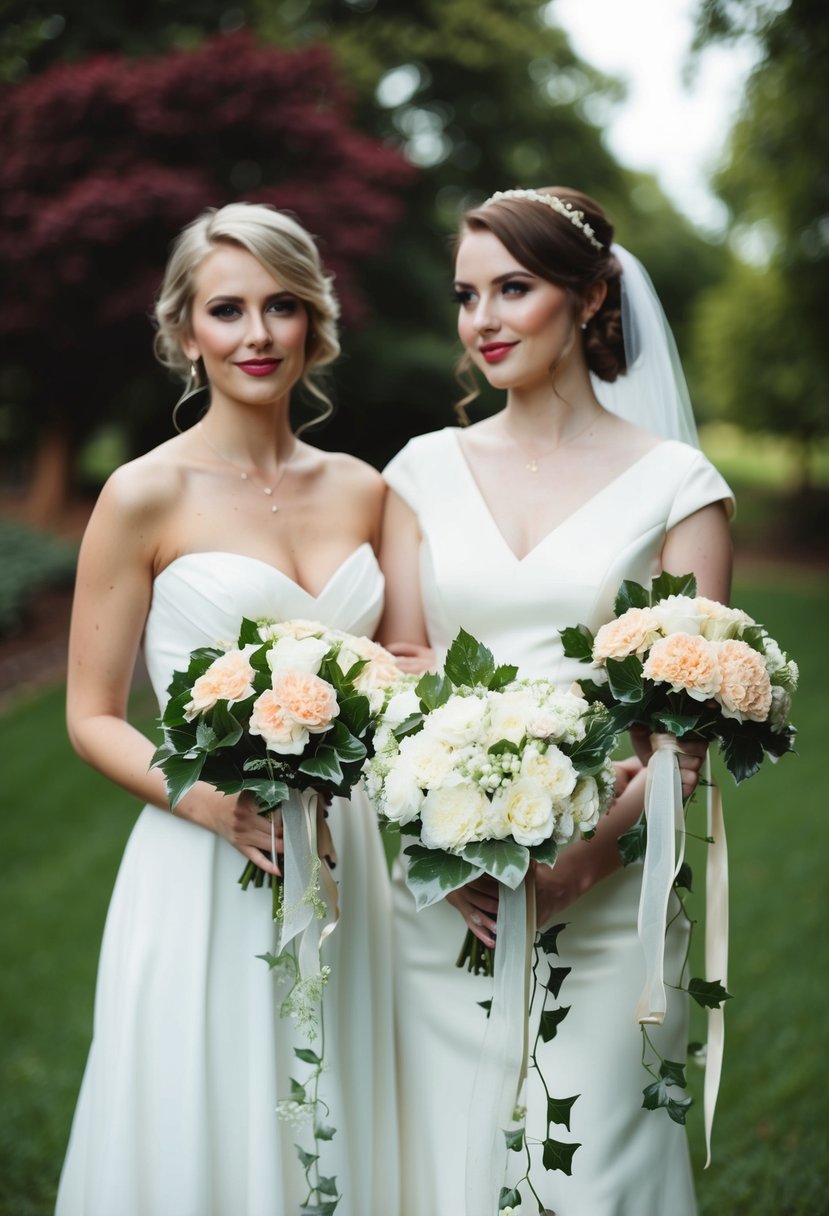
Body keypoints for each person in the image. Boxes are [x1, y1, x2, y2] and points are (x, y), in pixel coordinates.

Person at [378, 186, 734, 1215]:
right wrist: (436, 855)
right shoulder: (418, 473)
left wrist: (581, 862)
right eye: (465, 294)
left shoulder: (677, 486)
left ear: (585, 300)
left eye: (512, 288)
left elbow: (687, 729)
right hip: (444, 894)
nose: (481, 318)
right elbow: (397, 670)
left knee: (589, 1173)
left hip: (608, 880)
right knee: (438, 1163)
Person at [55, 202, 398, 1216]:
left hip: (353, 863)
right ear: (184, 331)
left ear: (313, 325)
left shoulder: (365, 491)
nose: (257, 335)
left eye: (282, 307)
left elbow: (409, 671)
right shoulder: (141, 496)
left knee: (346, 1115)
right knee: (206, 1122)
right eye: (228, 309)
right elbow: (90, 714)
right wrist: (200, 797)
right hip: (207, 857)